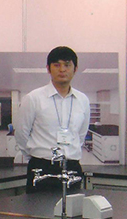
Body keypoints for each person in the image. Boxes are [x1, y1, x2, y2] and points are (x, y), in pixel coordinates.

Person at [16, 46, 91, 193]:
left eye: (67, 65)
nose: (62, 70)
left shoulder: (82, 100)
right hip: (42, 167)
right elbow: (21, 133)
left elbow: (81, 134)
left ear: (75, 69)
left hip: (72, 167)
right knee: (39, 207)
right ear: (48, 69)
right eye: (57, 65)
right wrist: (36, 156)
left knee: (72, 207)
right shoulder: (33, 98)